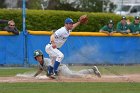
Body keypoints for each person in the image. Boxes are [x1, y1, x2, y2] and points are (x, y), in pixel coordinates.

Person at [33, 50, 101, 79]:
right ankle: (92, 70)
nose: (38, 58)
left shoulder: (46, 61)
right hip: (59, 71)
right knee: (75, 73)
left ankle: (86, 76)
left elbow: (50, 70)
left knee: (71, 75)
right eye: (37, 57)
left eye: (39, 56)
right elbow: (40, 69)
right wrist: (34, 76)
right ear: (35, 58)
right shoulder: (40, 64)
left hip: (61, 68)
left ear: (42, 56)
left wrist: (49, 76)